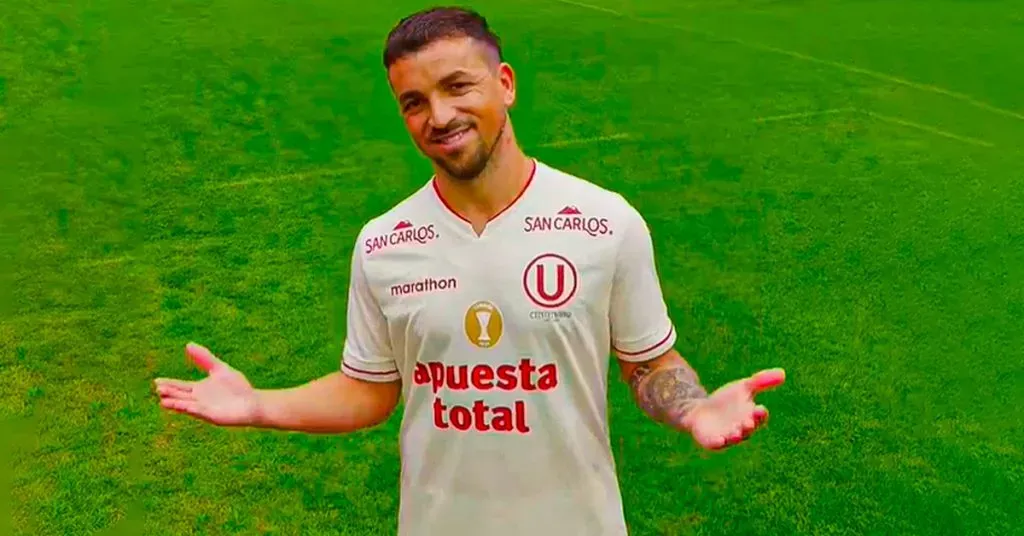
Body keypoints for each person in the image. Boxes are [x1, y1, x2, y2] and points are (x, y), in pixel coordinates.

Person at [154, 6, 786, 535]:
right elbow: (369, 389)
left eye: (457, 86)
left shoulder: (605, 223)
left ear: (505, 83)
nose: (438, 117)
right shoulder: (383, 244)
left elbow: (647, 364)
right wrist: (257, 404)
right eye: (414, 102)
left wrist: (694, 409)